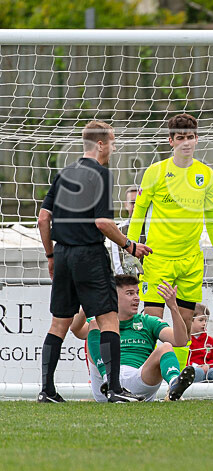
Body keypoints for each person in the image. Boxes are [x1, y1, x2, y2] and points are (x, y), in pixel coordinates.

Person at [36, 120, 151, 403]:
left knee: (58, 324)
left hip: (62, 254)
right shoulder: (101, 174)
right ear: (100, 144)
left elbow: (42, 219)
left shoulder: (64, 174)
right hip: (89, 253)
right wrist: (129, 245)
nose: (113, 148)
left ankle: (47, 391)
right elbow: (102, 222)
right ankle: (114, 389)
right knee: (108, 319)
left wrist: (51, 255)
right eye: (112, 142)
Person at [126, 113, 213, 345]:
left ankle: (178, 379)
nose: (186, 142)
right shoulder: (155, 172)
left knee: (184, 331)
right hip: (158, 259)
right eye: (180, 137)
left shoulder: (206, 174)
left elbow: (212, 219)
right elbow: (138, 214)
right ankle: (151, 379)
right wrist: (131, 249)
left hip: (191, 261)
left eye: (191, 137)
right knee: (154, 326)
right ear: (170, 141)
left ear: (197, 139)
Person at [71, 275, 195, 402]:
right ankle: (109, 382)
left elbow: (180, 341)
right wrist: (89, 302)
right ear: (113, 296)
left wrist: (173, 307)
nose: (137, 298)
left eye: (137, 293)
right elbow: (76, 329)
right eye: (130, 293)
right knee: (94, 325)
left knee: (166, 347)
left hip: (138, 379)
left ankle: (174, 384)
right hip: (105, 385)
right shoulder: (101, 320)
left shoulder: (147, 321)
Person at [110, 186, 146, 276]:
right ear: (126, 205)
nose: (136, 207)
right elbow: (118, 269)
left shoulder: (153, 229)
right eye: (133, 203)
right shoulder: (118, 231)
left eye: (139, 203)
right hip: (129, 282)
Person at [188, 303, 213, 383]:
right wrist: (196, 366)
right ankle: (193, 395)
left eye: (206, 320)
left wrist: (208, 366)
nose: (204, 323)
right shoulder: (185, 340)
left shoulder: (209, 340)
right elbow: (182, 360)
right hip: (192, 370)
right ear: (190, 320)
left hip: (208, 370)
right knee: (198, 372)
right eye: (201, 320)